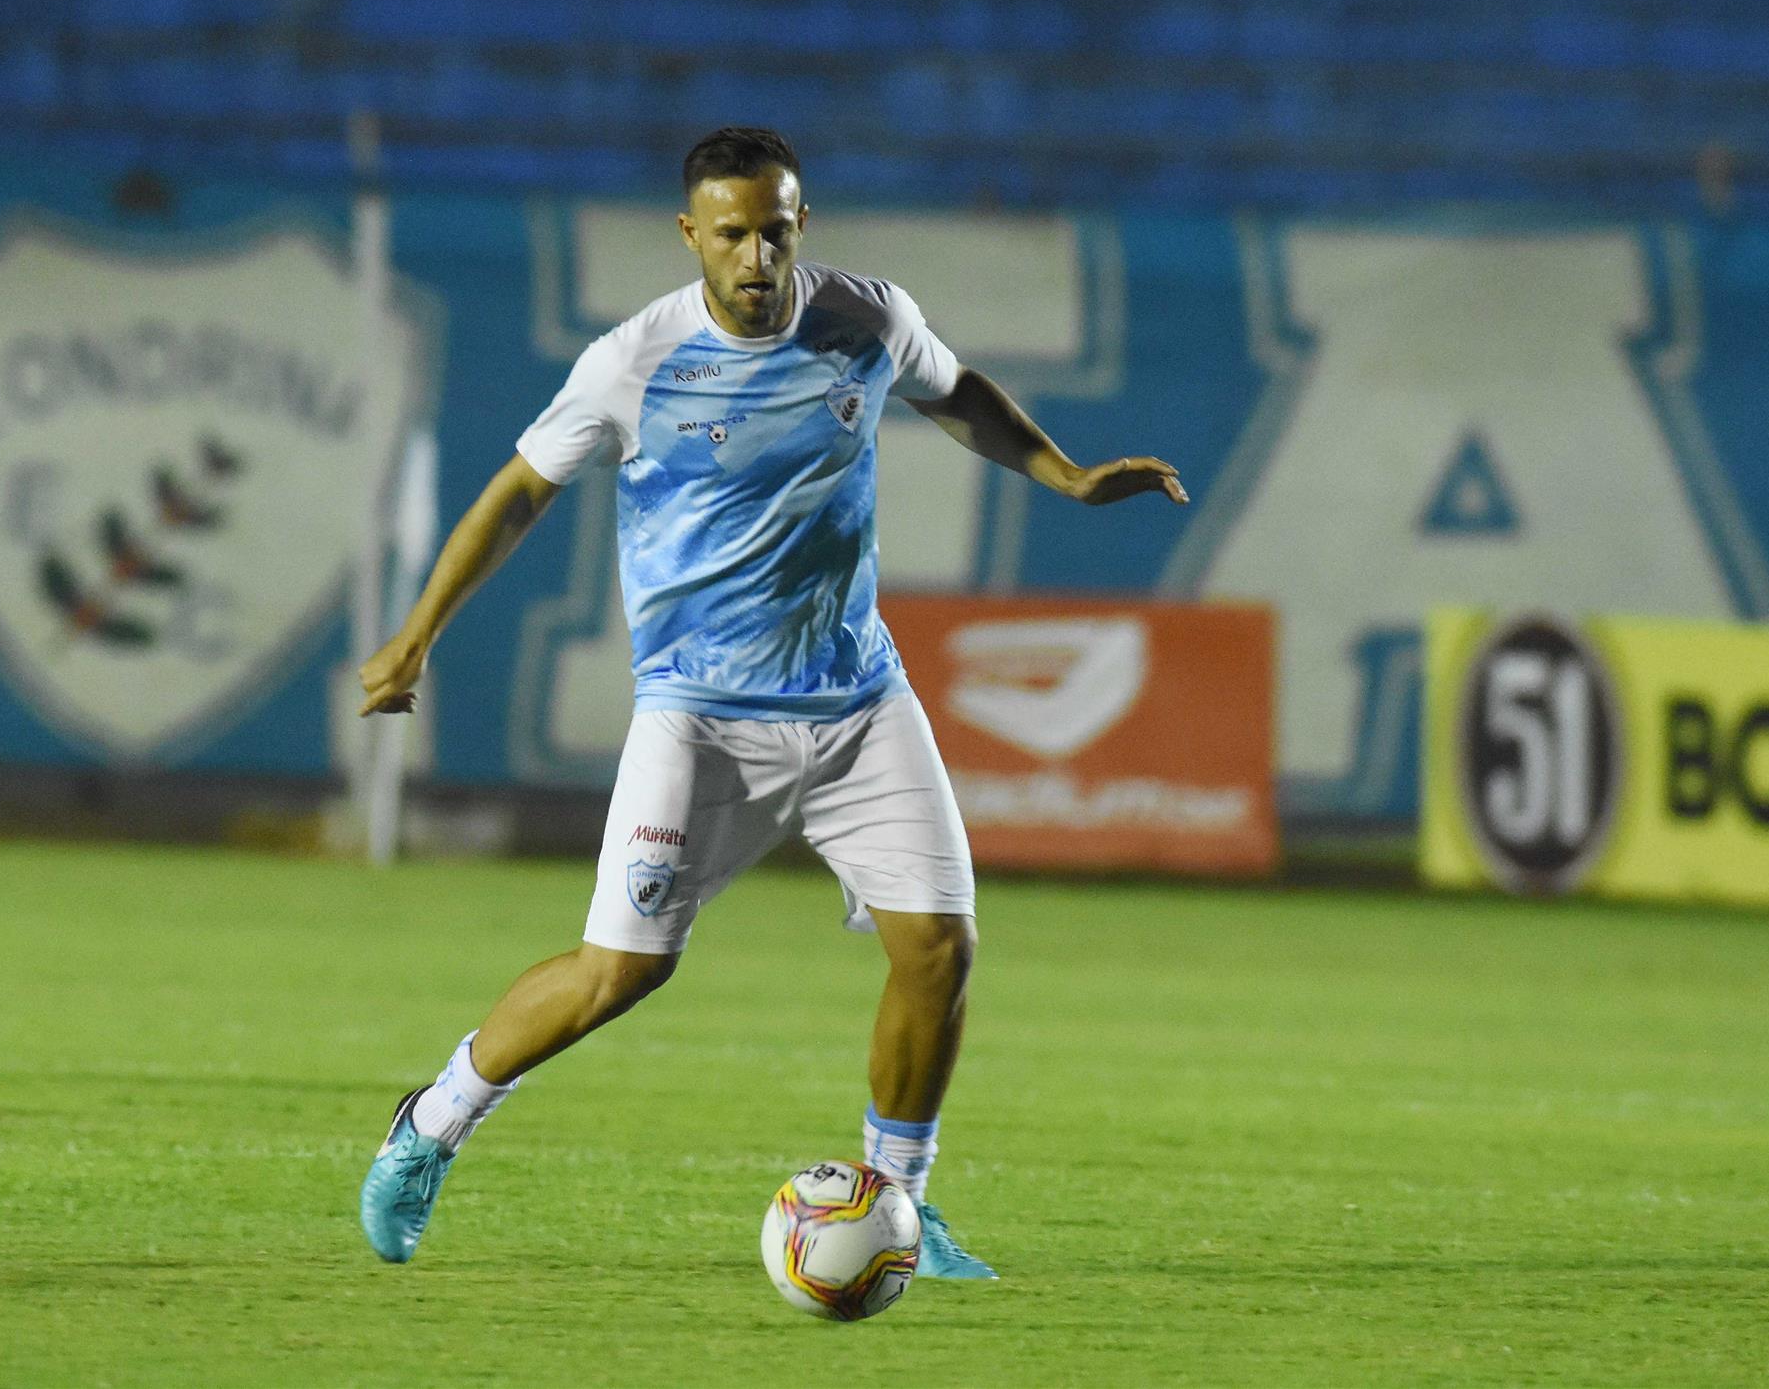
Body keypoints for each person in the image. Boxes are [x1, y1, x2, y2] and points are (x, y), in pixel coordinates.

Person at [355, 126, 1187, 1274]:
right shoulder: (633, 363)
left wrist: (1067, 473)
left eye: (776, 231)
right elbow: (515, 494)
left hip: (856, 703)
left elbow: (957, 395)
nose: (757, 256)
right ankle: (431, 1124)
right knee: (620, 972)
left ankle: (897, 1202)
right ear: (690, 232)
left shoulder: (867, 319)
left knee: (939, 949)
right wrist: (415, 635)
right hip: (697, 716)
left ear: (803, 225)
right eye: (733, 233)